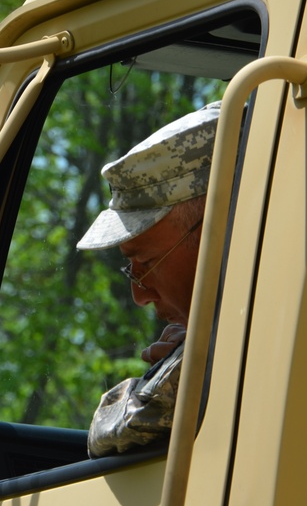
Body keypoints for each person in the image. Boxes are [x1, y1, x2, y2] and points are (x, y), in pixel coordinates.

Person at [77, 101, 220, 457]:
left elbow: (116, 433)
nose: (139, 294)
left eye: (145, 261)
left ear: (217, 228)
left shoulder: (243, 330)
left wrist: (175, 365)